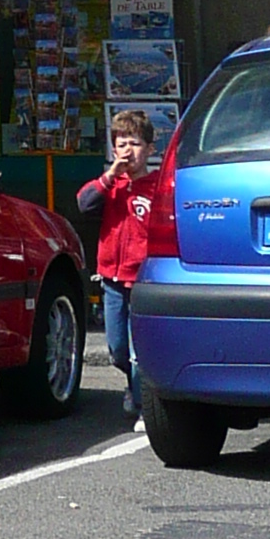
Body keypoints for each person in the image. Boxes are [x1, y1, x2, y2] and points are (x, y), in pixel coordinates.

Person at [77, 110, 163, 429]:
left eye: (136, 144)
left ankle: (145, 406)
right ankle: (131, 383)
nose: (128, 151)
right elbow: (84, 204)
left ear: (150, 149)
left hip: (142, 279)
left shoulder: (157, 187)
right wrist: (111, 175)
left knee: (141, 350)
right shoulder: (110, 185)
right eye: (122, 144)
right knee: (117, 349)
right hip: (112, 279)